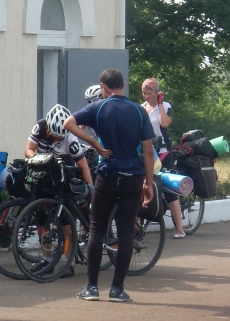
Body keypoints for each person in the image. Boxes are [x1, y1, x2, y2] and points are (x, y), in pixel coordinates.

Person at [64, 68, 154, 303]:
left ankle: (92, 287)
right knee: (126, 233)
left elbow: (68, 123)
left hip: (107, 175)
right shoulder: (139, 110)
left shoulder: (98, 107)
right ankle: (117, 289)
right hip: (133, 176)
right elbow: (147, 152)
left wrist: (94, 143)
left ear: (103, 86)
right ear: (123, 85)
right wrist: (149, 182)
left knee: (96, 229)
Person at [24, 104, 94, 278]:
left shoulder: (71, 138)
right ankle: (46, 260)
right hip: (43, 178)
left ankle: (68, 261)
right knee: (42, 221)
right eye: (54, 135)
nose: (56, 138)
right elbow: (28, 149)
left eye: (59, 136)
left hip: (63, 179)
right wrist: (38, 159)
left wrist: (91, 191)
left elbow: (84, 167)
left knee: (65, 223)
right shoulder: (40, 126)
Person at [141, 78, 185, 238]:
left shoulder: (165, 106)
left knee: (168, 188)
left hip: (163, 151)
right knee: (143, 184)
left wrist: (159, 104)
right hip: (147, 151)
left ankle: (179, 228)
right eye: (144, 93)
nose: (146, 96)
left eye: (149, 93)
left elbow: (164, 123)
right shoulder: (141, 107)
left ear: (156, 92)